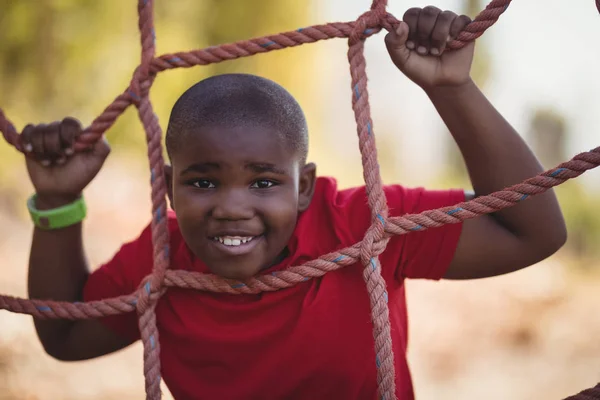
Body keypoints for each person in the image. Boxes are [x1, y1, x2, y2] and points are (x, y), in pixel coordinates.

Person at [23, 6, 566, 400]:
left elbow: (532, 232)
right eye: (203, 182)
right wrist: (57, 201)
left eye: (263, 182)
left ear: (304, 186)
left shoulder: (362, 226)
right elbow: (65, 335)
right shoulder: (162, 263)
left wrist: (452, 87)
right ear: (167, 186)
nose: (231, 207)